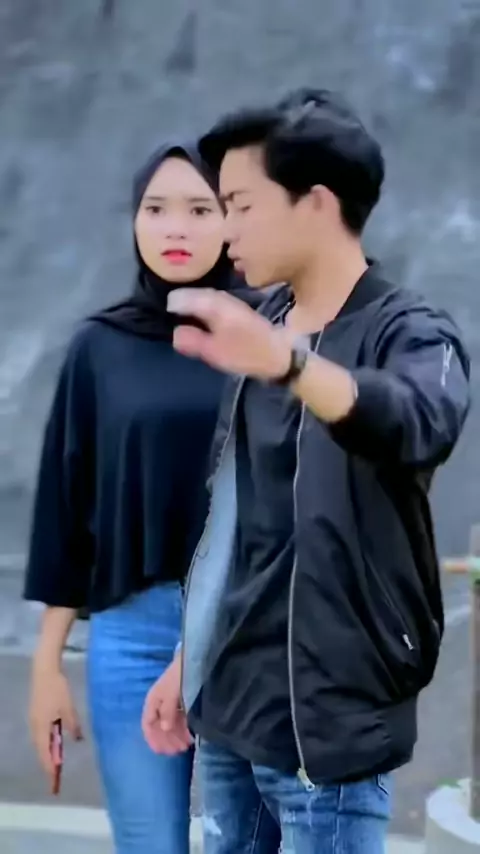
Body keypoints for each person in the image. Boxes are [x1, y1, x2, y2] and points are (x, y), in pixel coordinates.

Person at [142, 89, 471, 854]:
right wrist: (190, 658)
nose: (224, 229)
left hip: (328, 730)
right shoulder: (258, 327)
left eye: (240, 205)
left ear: (317, 204)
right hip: (228, 709)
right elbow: (239, 521)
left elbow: (418, 421)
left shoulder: (410, 332)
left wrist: (291, 366)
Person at [24, 140, 257, 854]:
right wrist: (47, 668)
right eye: (156, 209)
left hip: (246, 628)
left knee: (246, 843)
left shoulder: (265, 336)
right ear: (134, 220)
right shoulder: (100, 346)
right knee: (149, 842)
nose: (175, 228)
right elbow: (67, 510)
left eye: (199, 210)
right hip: (131, 633)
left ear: (231, 220)